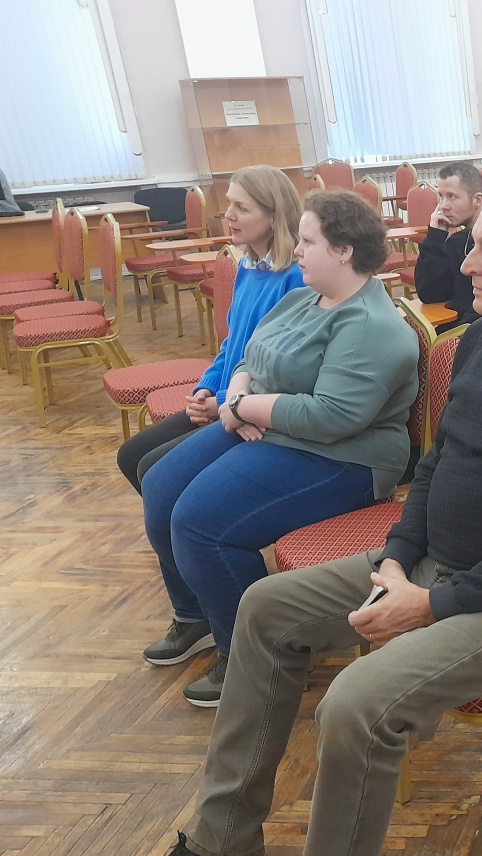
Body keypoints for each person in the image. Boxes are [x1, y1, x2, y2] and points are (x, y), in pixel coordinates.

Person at [98, 184, 482, 856]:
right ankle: (223, 847)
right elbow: (439, 464)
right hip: (436, 563)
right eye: (473, 244)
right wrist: (396, 556)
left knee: (355, 705)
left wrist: (433, 605)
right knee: (264, 609)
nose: (466, 262)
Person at [136, 190, 420, 707]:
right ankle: (196, 615)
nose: (297, 250)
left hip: (343, 458)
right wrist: (239, 394)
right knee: (159, 484)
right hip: (269, 426)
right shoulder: (303, 298)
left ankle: (255, 658)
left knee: (199, 523)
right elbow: (250, 354)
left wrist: (243, 407)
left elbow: (331, 417)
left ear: (344, 251)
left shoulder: (372, 326)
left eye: (308, 241)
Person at [117, 166, 306, 494]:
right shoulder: (248, 267)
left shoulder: (296, 278)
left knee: (153, 470)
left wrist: (222, 402)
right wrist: (206, 388)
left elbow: (284, 369)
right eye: (229, 204)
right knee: (131, 455)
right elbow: (233, 344)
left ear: (275, 217)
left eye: (241, 208)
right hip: (225, 397)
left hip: (254, 409)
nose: (228, 215)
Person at [414, 160, 482, 331]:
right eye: (441, 196)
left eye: (452, 196)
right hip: (462, 328)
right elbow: (430, 294)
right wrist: (435, 238)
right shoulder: (457, 242)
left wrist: (451, 338)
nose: (443, 206)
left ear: (477, 199)